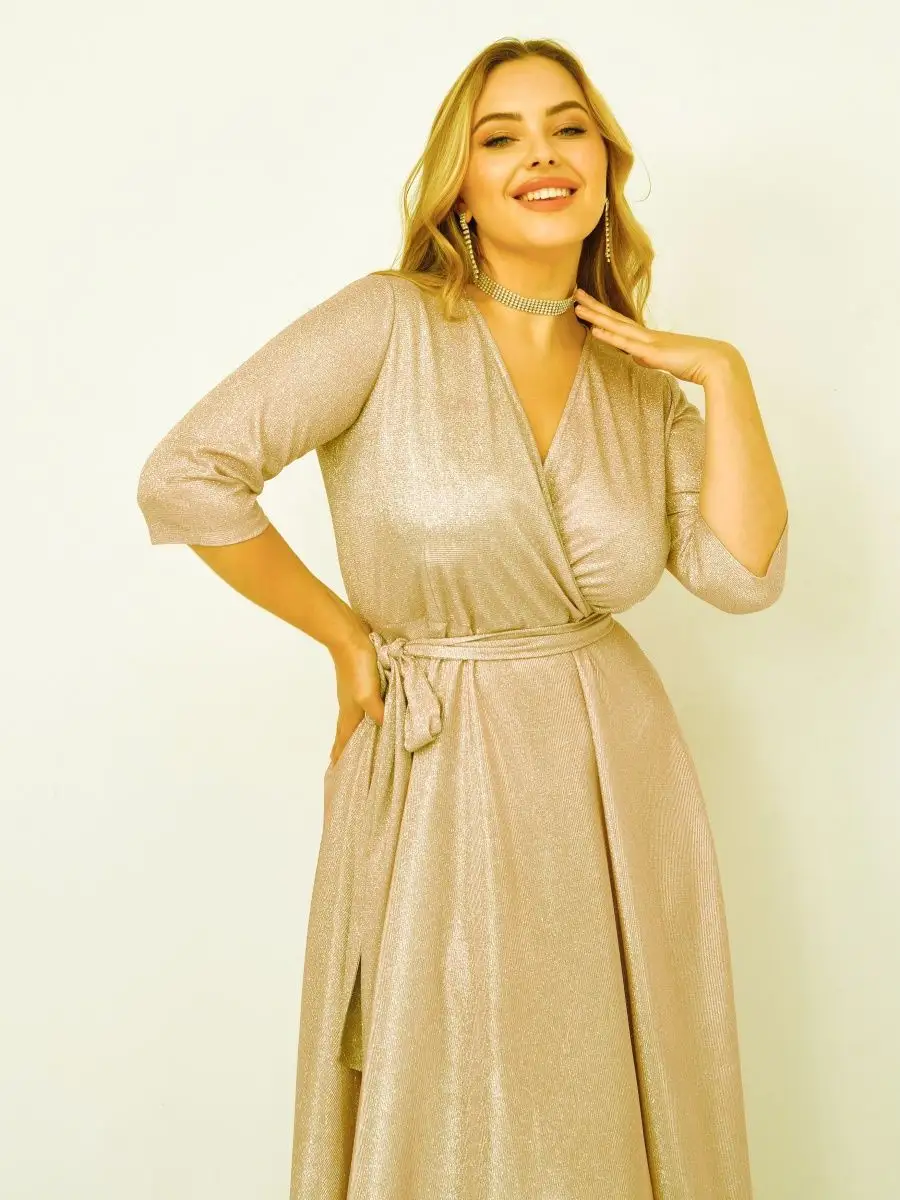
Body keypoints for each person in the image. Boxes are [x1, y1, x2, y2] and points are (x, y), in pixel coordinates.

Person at [136, 36, 788, 1200]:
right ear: (461, 186)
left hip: (613, 776)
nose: (542, 154)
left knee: (605, 1084)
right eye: (502, 137)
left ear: (605, 164)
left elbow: (745, 575)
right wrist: (344, 635)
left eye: (569, 128)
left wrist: (724, 374)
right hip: (443, 767)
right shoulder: (387, 323)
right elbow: (188, 474)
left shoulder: (637, 382)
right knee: (454, 1083)